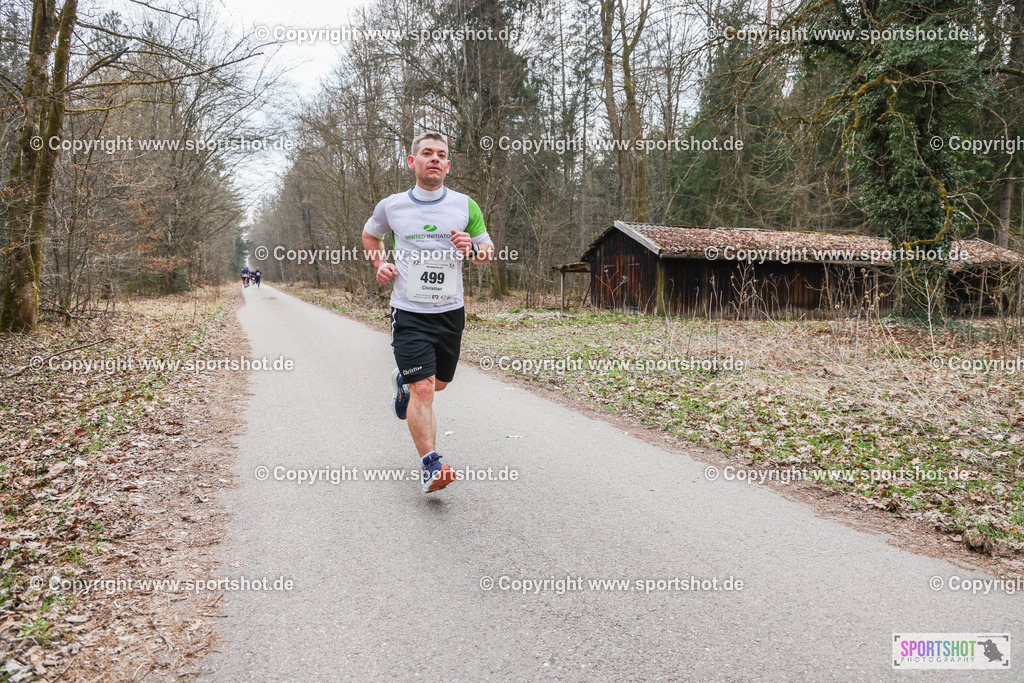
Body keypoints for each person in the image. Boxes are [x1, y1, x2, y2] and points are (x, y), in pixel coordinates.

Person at [362, 131, 494, 493]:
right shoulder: (391, 206)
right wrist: (380, 263)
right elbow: (369, 235)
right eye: (426, 153)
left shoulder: (466, 206)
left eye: (441, 154)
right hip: (409, 312)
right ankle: (430, 464)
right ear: (412, 162)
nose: (434, 158)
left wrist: (471, 248)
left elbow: (487, 252)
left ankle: (402, 384)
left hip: (450, 312)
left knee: (438, 384)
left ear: (448, 166)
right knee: (424, 390)